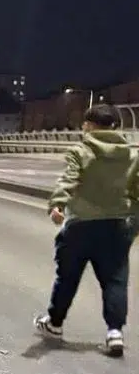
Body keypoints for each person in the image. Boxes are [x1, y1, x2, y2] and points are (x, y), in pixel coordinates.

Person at [35, 104, 138, 356]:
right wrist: (132, 225)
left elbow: (69, 179)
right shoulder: (131, 155)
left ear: (90, 125)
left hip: (80, 225)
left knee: (67, 277)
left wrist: (57, 205)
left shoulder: (81, 151)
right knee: (115, 280)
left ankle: (55, 324)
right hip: (116, 225)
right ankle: (114, 332)